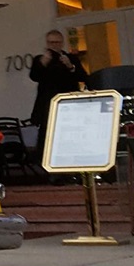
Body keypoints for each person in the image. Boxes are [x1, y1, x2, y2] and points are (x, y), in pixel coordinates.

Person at [29, 29, 89, 173]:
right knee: (48, 137)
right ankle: (48, 169)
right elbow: (34, 76)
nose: (54, 45)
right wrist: (43, 63)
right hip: (48, 106)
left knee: (70, 136)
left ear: (62, 43)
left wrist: (70, 66)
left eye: (56, 42)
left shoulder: (71, 59)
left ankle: (74, 166)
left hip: (69, 105)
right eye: (51, 42)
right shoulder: (40, 59)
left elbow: (84, 77)